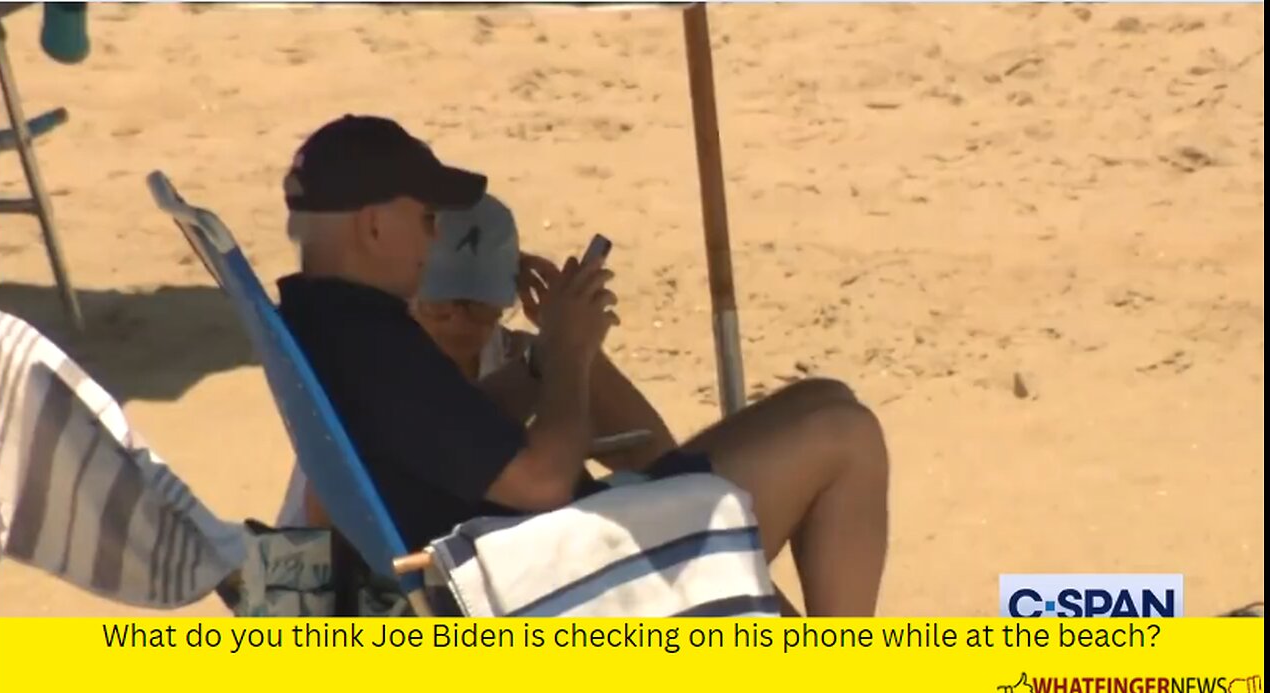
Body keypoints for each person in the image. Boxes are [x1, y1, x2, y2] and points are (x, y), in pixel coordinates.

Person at [277, 114, 890, 616]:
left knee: (824, 398)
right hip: (531, 584)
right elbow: (541, 482)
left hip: (500, 559)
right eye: (428, 219)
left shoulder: (333, 325)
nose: (435, 241)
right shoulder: (373, 343)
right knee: (845, 435)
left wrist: (546, 357)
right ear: (375, 225)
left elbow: (441, 441)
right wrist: (571, 354)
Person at [276, 192, 676, 526]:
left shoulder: (520, 360)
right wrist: (564, 355)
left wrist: (570, 345)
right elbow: (328, 511)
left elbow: (658, 458)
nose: (460, 323)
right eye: (440, 308)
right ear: (406, 299)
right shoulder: (383, 374)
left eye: (481, 308)